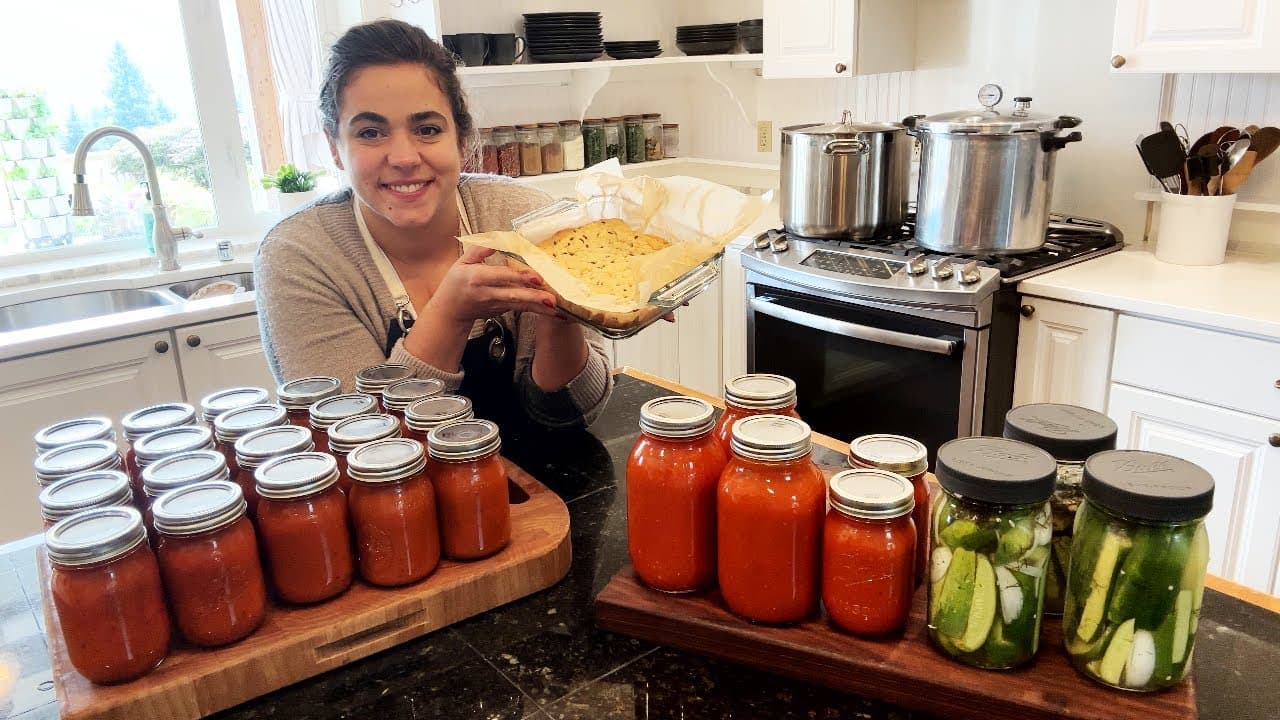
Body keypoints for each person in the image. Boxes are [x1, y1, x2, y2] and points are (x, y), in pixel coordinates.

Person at [254, 19, 611, 428]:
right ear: (335, 148)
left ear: (461, 139)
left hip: (540, 486)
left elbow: (575, 414)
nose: (404, 157)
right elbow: (356, 438)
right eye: (370, 132)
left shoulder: (527, 219)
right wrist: (451, 315)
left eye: (427, 129)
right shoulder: (300, 257)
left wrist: (561, 313)